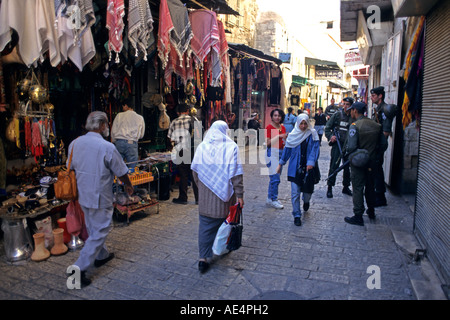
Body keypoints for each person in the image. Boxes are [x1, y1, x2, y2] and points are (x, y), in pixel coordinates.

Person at [67, 111, 134, 287]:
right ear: (103, 125)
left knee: (92, 227)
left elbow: (70, 167)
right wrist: (128, 185)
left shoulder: (74, 144)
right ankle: (77, 269)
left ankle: (101, 255)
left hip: (83, 194)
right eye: (107, 125)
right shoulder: (107, 147)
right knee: (101, 230)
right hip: (99, 195)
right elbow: (121, 171)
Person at [191, 120, 244, 273]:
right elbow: (236, 174)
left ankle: (203, 258)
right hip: (225, 199)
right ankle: (222, 249)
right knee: (224, 225)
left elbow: (195, 172)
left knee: (205, 228)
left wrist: (203, 188)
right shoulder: (231, 147)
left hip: (206, 199)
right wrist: (240, 195)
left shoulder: (202, 147)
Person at [344, 102, 387, 226]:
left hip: (358, 163)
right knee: (370, 186)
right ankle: (371, 210)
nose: (350, 112)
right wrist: (375, 155)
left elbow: (351, 147)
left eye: (352, 110)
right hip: (372, 162)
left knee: (358, 187)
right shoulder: (376, 125)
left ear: (355, 111)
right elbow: (384, 145)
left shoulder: (355, 126)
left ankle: (358, 215)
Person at [276, 114, 320, 226]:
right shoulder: (293, 136)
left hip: (308, 169)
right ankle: (296, 215)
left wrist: (311, 163)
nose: (303, 126)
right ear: (298, 123)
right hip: (295, 168)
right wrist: (280, 164)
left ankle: (306, 202)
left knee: (307, 192)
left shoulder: (312, 134)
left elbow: (315, 150)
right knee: (295, 193)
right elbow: (287, 151)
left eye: (305, 123)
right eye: (301, 123)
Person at [167, 103, 198, 205]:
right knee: (195, 174)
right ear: (188, 111)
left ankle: (183, 197)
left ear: (178, 112)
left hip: (181, 150)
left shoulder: (174, 122)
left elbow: (170, 138)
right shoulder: (195, 120)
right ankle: (198, 198)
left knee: (183, 174)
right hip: (193, 150)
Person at [370, 86, 396, 207]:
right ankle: (377, 194)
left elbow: (385, 132)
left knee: (377, 171)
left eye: (374, 95)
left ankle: (380, 197)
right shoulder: (377, 109)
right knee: (375, 170)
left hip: (378, 145)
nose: (371, 97)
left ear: (380, 96)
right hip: (375, 144)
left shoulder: (385, 110)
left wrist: (378, 146)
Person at [324, 97, 354, 198]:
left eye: (348, 104)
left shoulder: (354, 117)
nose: (345, 106)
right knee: (334, 166)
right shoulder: (337, 115)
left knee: (347, 168)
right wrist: (330, 136)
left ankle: (346, 187)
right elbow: (327, 128)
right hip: (338, 145)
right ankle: (330, 187)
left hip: (349, 146)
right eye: (344, 104)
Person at [111, 98, 145, 169]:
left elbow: (113, 131)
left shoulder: (119, 116)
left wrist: (114, 141)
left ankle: (118, 180)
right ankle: (130, 179)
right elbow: (141, 135)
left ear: (126, 106)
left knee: (117, 167)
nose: (123, 108)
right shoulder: (140, 118)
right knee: (132, 168)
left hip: (119, 143)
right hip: (132, 144)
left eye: (123, 106)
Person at [265, 108, 287, 209]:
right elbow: (268, 143)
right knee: (275, 179)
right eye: (275, 115)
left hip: (281, 153)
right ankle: (274, 199)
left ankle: (270, 198)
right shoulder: (268, 127)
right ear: (272, 117)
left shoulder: (283, 128)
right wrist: (278, 136)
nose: (277, 117)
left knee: (274, 178)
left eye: (279, 115)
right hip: (272, 153)